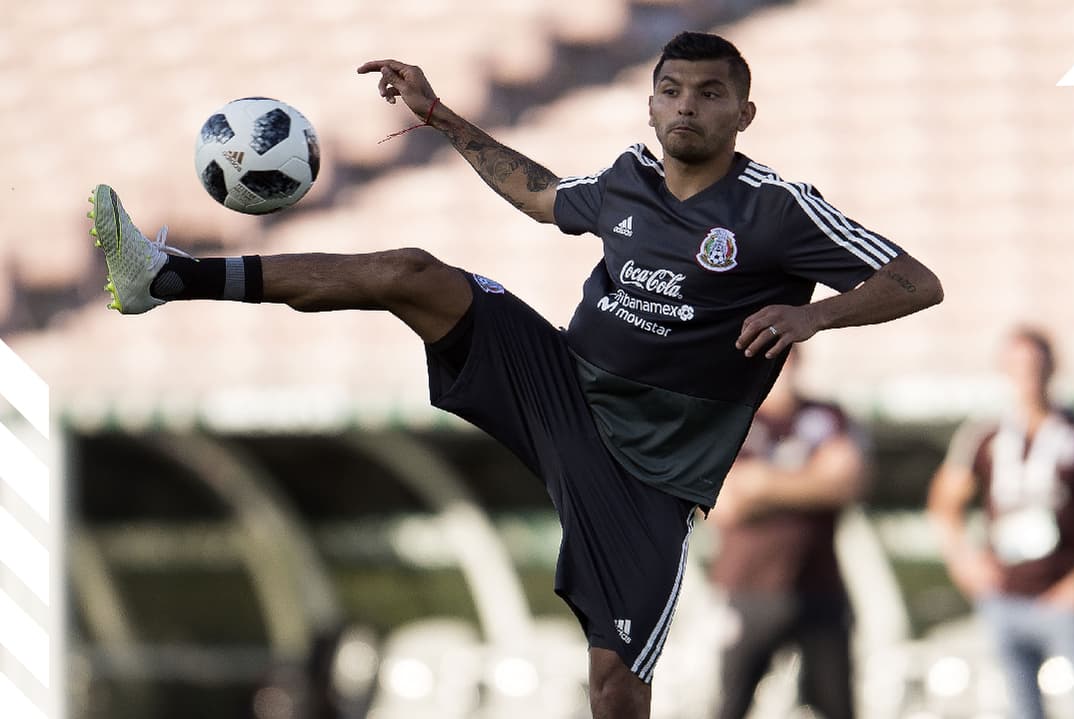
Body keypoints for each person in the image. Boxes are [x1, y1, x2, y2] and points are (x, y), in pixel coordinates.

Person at [88, 32, 942, 718]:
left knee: (615, 687)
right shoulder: (627, 178)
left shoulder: (777, 207)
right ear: (650, 102)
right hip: (562, 384)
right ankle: (167, 276)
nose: (688, 105)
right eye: (673, 89)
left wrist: (814, 313)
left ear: (745, 112)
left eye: (710, 92)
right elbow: (539, 193)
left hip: (647, 476)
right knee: (412, 271)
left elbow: (916, 279)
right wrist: (441, 117)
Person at [926, 327, 1074, 719]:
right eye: (1018, 366)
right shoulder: (986, 434)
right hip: (1005, 596)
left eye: (1035, 365)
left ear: (1052, 367)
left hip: (1066, 594)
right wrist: (965, 562)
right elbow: (944, 503)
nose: (1028, 376)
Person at [710, 350, 867, 719]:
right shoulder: (732, 417)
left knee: (838, 705)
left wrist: (764, 484)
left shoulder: (828, 416)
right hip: (749, 589)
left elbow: (848, 482)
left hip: (819, 587)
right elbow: (724, 502)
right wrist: (811, 479)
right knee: (731, 704)